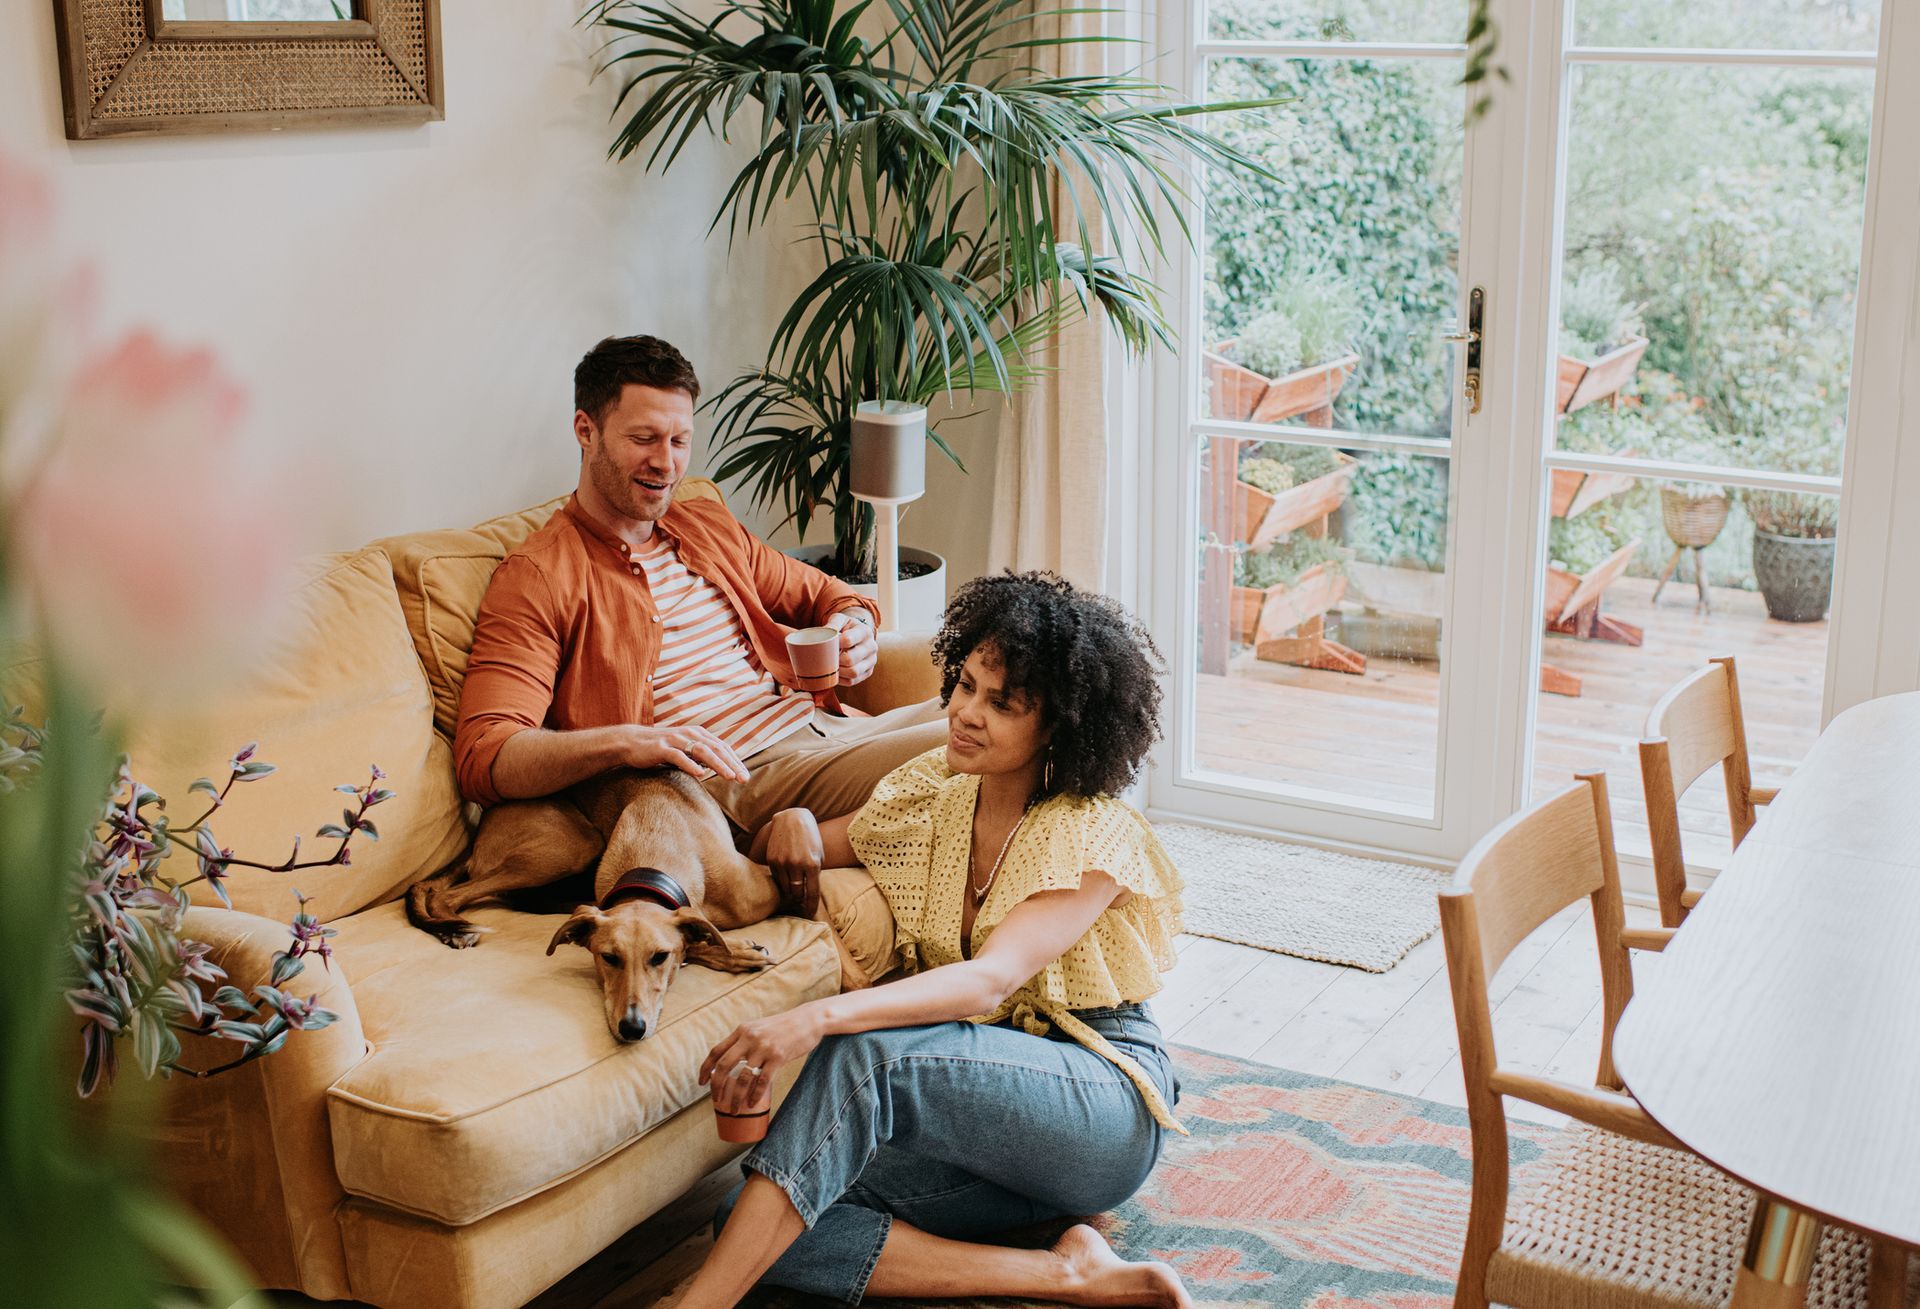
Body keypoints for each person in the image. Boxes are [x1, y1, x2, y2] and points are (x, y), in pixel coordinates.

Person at [679, 572, 1192, 1309]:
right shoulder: (934, 794)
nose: (965, 711)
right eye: (966, 684)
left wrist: (813, 1017)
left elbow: (989, 980)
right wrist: (787, 822)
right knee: (757, 1219)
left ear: (1057, 726)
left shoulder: (1090, 829)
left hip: (1098, 1103)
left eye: (1001, 702)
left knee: (863, 1054)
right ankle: (1064, 1273)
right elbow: (808, 845)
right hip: (984, 1127)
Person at [451, 335, 949, 908]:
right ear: (585, 430)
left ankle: (808, 838)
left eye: (679, 440)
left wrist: (854, 625)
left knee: (998, 704)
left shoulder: (704, 523)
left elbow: (826, 593)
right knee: (977, 742)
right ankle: (766, 842)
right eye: (643, 439)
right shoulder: (540, 574)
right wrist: (628, 742)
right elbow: (486, 756)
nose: (666, 463)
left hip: (827, 728)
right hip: (732, 779)